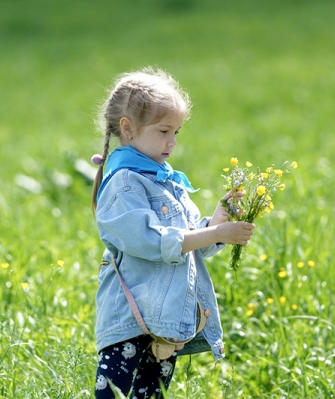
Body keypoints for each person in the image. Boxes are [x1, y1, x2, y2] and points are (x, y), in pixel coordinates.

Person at [90, 67, 255, 398]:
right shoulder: (124, 182)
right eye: (164, 130)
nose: (172, 142)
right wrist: (216, 233)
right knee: (113, 394)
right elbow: (152, 241)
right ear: (128, 129)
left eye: (177, 132)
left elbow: (190, 244)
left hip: (164, 320)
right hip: (130, 318)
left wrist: (216, 222)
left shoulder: (166, 181)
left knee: (152, 394)